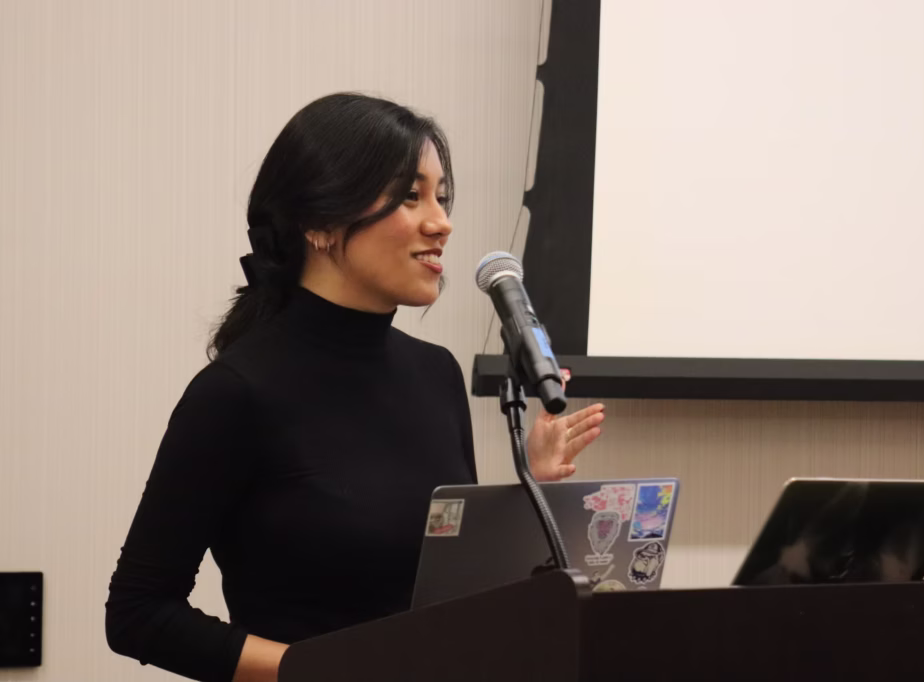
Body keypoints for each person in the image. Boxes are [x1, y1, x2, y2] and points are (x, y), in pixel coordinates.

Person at [104, 93, 605, 682]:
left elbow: (437, 597)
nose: (441, 222)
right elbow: (138, 614)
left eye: (441, 197)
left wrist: (532, 495)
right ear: (319, 222)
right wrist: (324, 668)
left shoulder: (435, 374)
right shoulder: (236, 393)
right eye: (410, 196)